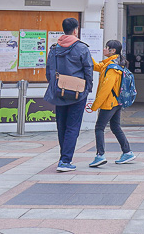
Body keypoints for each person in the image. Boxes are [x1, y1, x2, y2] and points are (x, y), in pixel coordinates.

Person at [44, 17, 93, 172]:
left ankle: (63, 158)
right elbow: (88, 70)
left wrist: (56, 85)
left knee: (62, 126)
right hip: (77, 93)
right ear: (75, 30)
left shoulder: (54, 48)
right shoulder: (82, 48)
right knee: (73, 126)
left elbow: (48, 71)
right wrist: (87, 89)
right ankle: (65, 160)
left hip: (59, 91)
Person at [88, 39, 136, 167]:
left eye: (106, 47)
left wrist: (95, 105)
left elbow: (106, 89)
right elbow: (97, 67)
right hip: (117, 102)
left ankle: (100, 155)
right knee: (115, 127)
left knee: (99, 127)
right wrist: (88, 55)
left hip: (110, 103)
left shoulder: (113, 68)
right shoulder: (113, 64)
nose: (104, 49)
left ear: (112, 51)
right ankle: (127, 152)